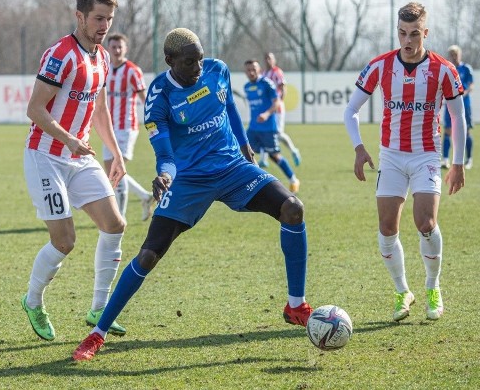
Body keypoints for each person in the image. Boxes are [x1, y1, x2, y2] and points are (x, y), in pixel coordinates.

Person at [72, 28, 312, 361]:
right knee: (148, 255)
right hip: (188, 181)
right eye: (189, 62)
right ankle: (97, 334)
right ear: (170, 61)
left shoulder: (217, 70)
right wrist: (164, 177)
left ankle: (296, 306)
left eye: (200, 58)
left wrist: (243, 146)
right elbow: (166, 155)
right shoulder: (159, 97)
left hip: (232, 168)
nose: (198, 67)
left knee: (293, 208)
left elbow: (228, 109)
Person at [343, 2, 466, 322]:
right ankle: (402, 291)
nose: (407, 40)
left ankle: (432, 286)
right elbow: (350, 110)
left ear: (425, 33)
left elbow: (458, 116)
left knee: (425, 224)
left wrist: (458, 163)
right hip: (392, 157)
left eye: (414, 34)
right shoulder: (380, 66)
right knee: (387, 228)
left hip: (427, 155)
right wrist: (358, 147)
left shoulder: (444, 70)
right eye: (402, 33)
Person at [21, 0, 128, 341]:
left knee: (114, 224)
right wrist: (69, 139)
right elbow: (34, 109)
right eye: (98, 18)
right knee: (65, 241)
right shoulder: (60, 55)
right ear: (79, 16)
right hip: (46, 157)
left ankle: (100, 308)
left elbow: (99, 109)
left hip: (78, 157)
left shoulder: (102, 58)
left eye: (109, 19)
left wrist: (114, 153)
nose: (104, 26)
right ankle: (33, 301)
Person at [104, 33, 156, 221]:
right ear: (108, 48)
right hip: (108, 128)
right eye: (113, 47)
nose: (117, 50)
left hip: (126, 126)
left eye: (120, 47)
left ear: (125, 49)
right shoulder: (104, 68)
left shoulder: (133, 71)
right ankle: (145, 196)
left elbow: (145, 99)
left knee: (117, 170)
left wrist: (153, 120)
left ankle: (121, 216)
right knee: (111, 172)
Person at [244, 59, 300, 194]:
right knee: (245, 153)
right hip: (253, 128)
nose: (251, 72)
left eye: (254, 69)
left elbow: (277, 103)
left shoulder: (267, 84)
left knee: (275, 156)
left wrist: (267, 114)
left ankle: (293, 179)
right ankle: (254, 184)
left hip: (268, 128)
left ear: (259, 70)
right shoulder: (246, 86)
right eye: (248, 70)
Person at [257, 52, 301, 168]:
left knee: (278, 133)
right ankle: (263, 159)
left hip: (277, 109)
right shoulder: (263, 73)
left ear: (274, 60)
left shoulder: (277, 72)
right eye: (266, 58)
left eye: (270, 58)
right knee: (263, 132)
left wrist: (280, 101)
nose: (267, 60)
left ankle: (293, 150)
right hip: (267, 109)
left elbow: (283, 88)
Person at [442, 45, 474, 170]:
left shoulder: (466, 68)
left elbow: (471, 86)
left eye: (456, 54)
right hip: (450, 105)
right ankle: (445, 160)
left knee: (466, 131)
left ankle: (469, 159)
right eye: (452, 54)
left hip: (464, 105)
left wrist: (460, 96)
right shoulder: (446, 69)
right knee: (447, 131)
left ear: (460, 55)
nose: (454, 57)